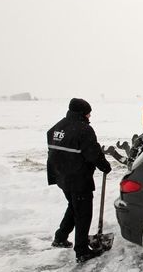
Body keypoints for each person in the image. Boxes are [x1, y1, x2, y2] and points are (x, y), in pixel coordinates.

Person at [47, 98, 112, 263]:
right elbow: (93, 153)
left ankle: (60, 237)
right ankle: (82, 251)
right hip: (77, 178)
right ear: (83, 113)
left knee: (74, 205)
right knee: (83, 213)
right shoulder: (84, 130)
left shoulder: (57, 127)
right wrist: (104, 166)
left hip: (62, 177)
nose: (90, 116)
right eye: (89, 112)